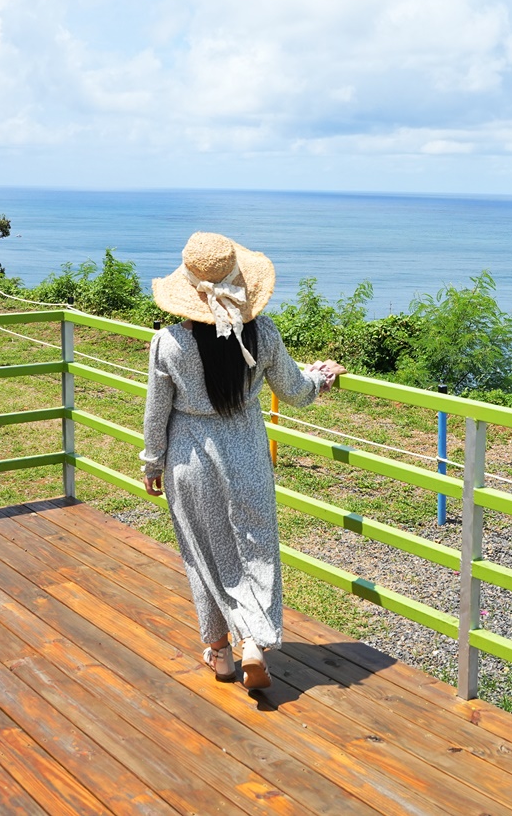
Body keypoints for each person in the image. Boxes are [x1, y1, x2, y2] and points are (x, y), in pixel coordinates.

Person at [139, 232, 344, 690]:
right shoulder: (263, 334)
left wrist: (153, 464)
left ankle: (220, 653)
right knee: (255, 549)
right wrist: (323, 375)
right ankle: (254, 639)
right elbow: (295, 391)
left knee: (203, 553)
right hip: (246, 453)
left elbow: (156, 414)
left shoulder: (168, 343)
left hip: (188, 459)